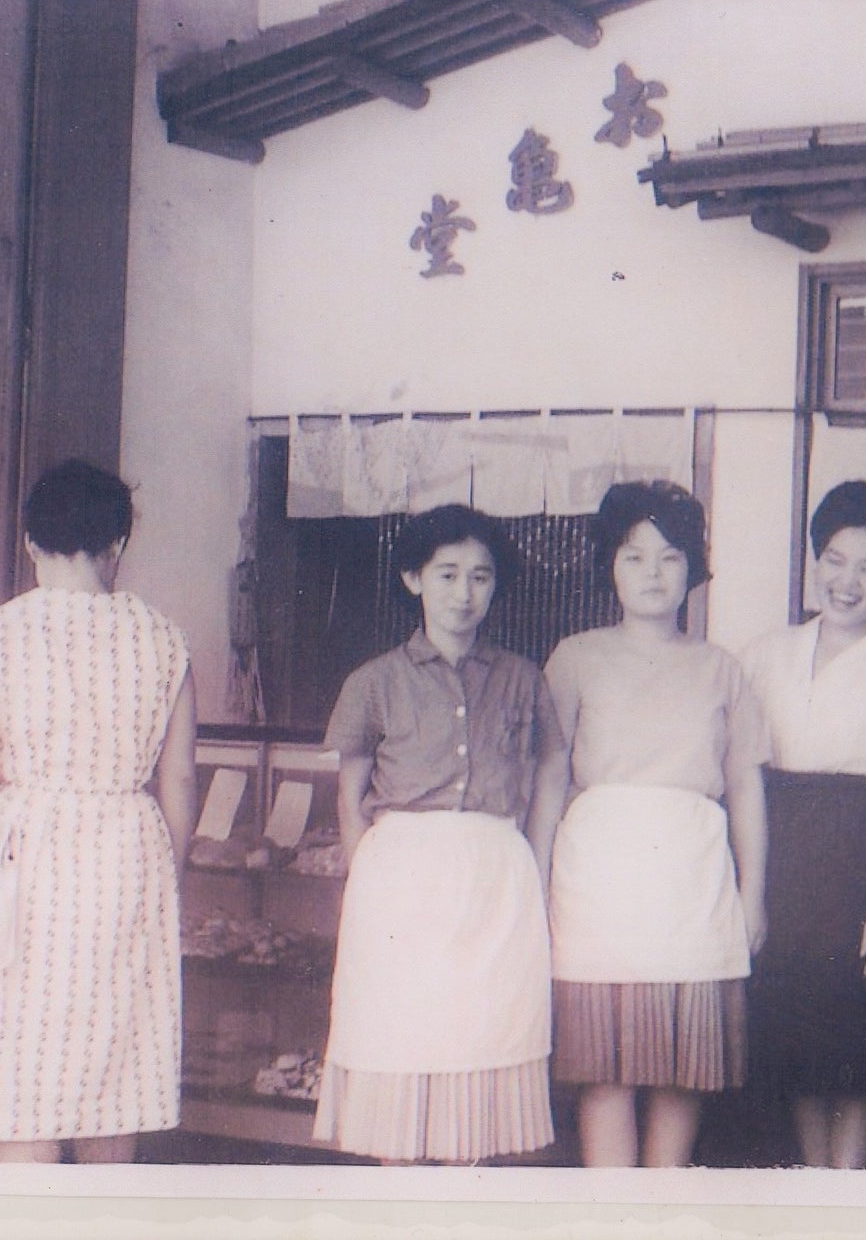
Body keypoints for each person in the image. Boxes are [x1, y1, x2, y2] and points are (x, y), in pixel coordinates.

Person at [0, 460, 197, 1164]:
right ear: (117, 544)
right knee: (115, 1054)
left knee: (23, 1051)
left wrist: (5, 791)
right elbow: (181, 778)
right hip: (128, 849)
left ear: (30, 542)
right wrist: (172, 870)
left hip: (26, 851)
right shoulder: (164, 638)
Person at [314, 504, 566, 1164]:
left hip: (495, 882)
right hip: (402, 884)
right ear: (412, 578)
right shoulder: (374, 681)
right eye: (447, 574)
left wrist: (536, 864)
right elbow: (350, 792)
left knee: (480, 1041)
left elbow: (552, 767)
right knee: (401, 1041)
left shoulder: (522, 678)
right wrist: (367, 873)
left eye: (480, 576)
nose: (463, 593)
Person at [529, 481, 770, 1168]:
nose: (653, 574)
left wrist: (753, 896)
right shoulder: (574, 658)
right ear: (609, 565)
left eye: (669, 557)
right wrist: (533, 882)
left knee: (680, 1070)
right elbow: (550, 777)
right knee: (603, 1072)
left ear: (693, 567)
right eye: (634, 556)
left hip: (691, 884)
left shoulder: (721, 669)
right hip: (596, 886)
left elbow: (744, 786)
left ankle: (662, 1205)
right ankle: (613, 1212)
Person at [739, 480, 866, 1169]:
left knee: (857, 1043)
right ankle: (814, 1182)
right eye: (834, 559)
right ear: (814, 559)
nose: (846, 582)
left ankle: (846, 1188)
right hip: (781, 860)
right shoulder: (764, 654)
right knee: (797, 1042)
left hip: (859, 867)